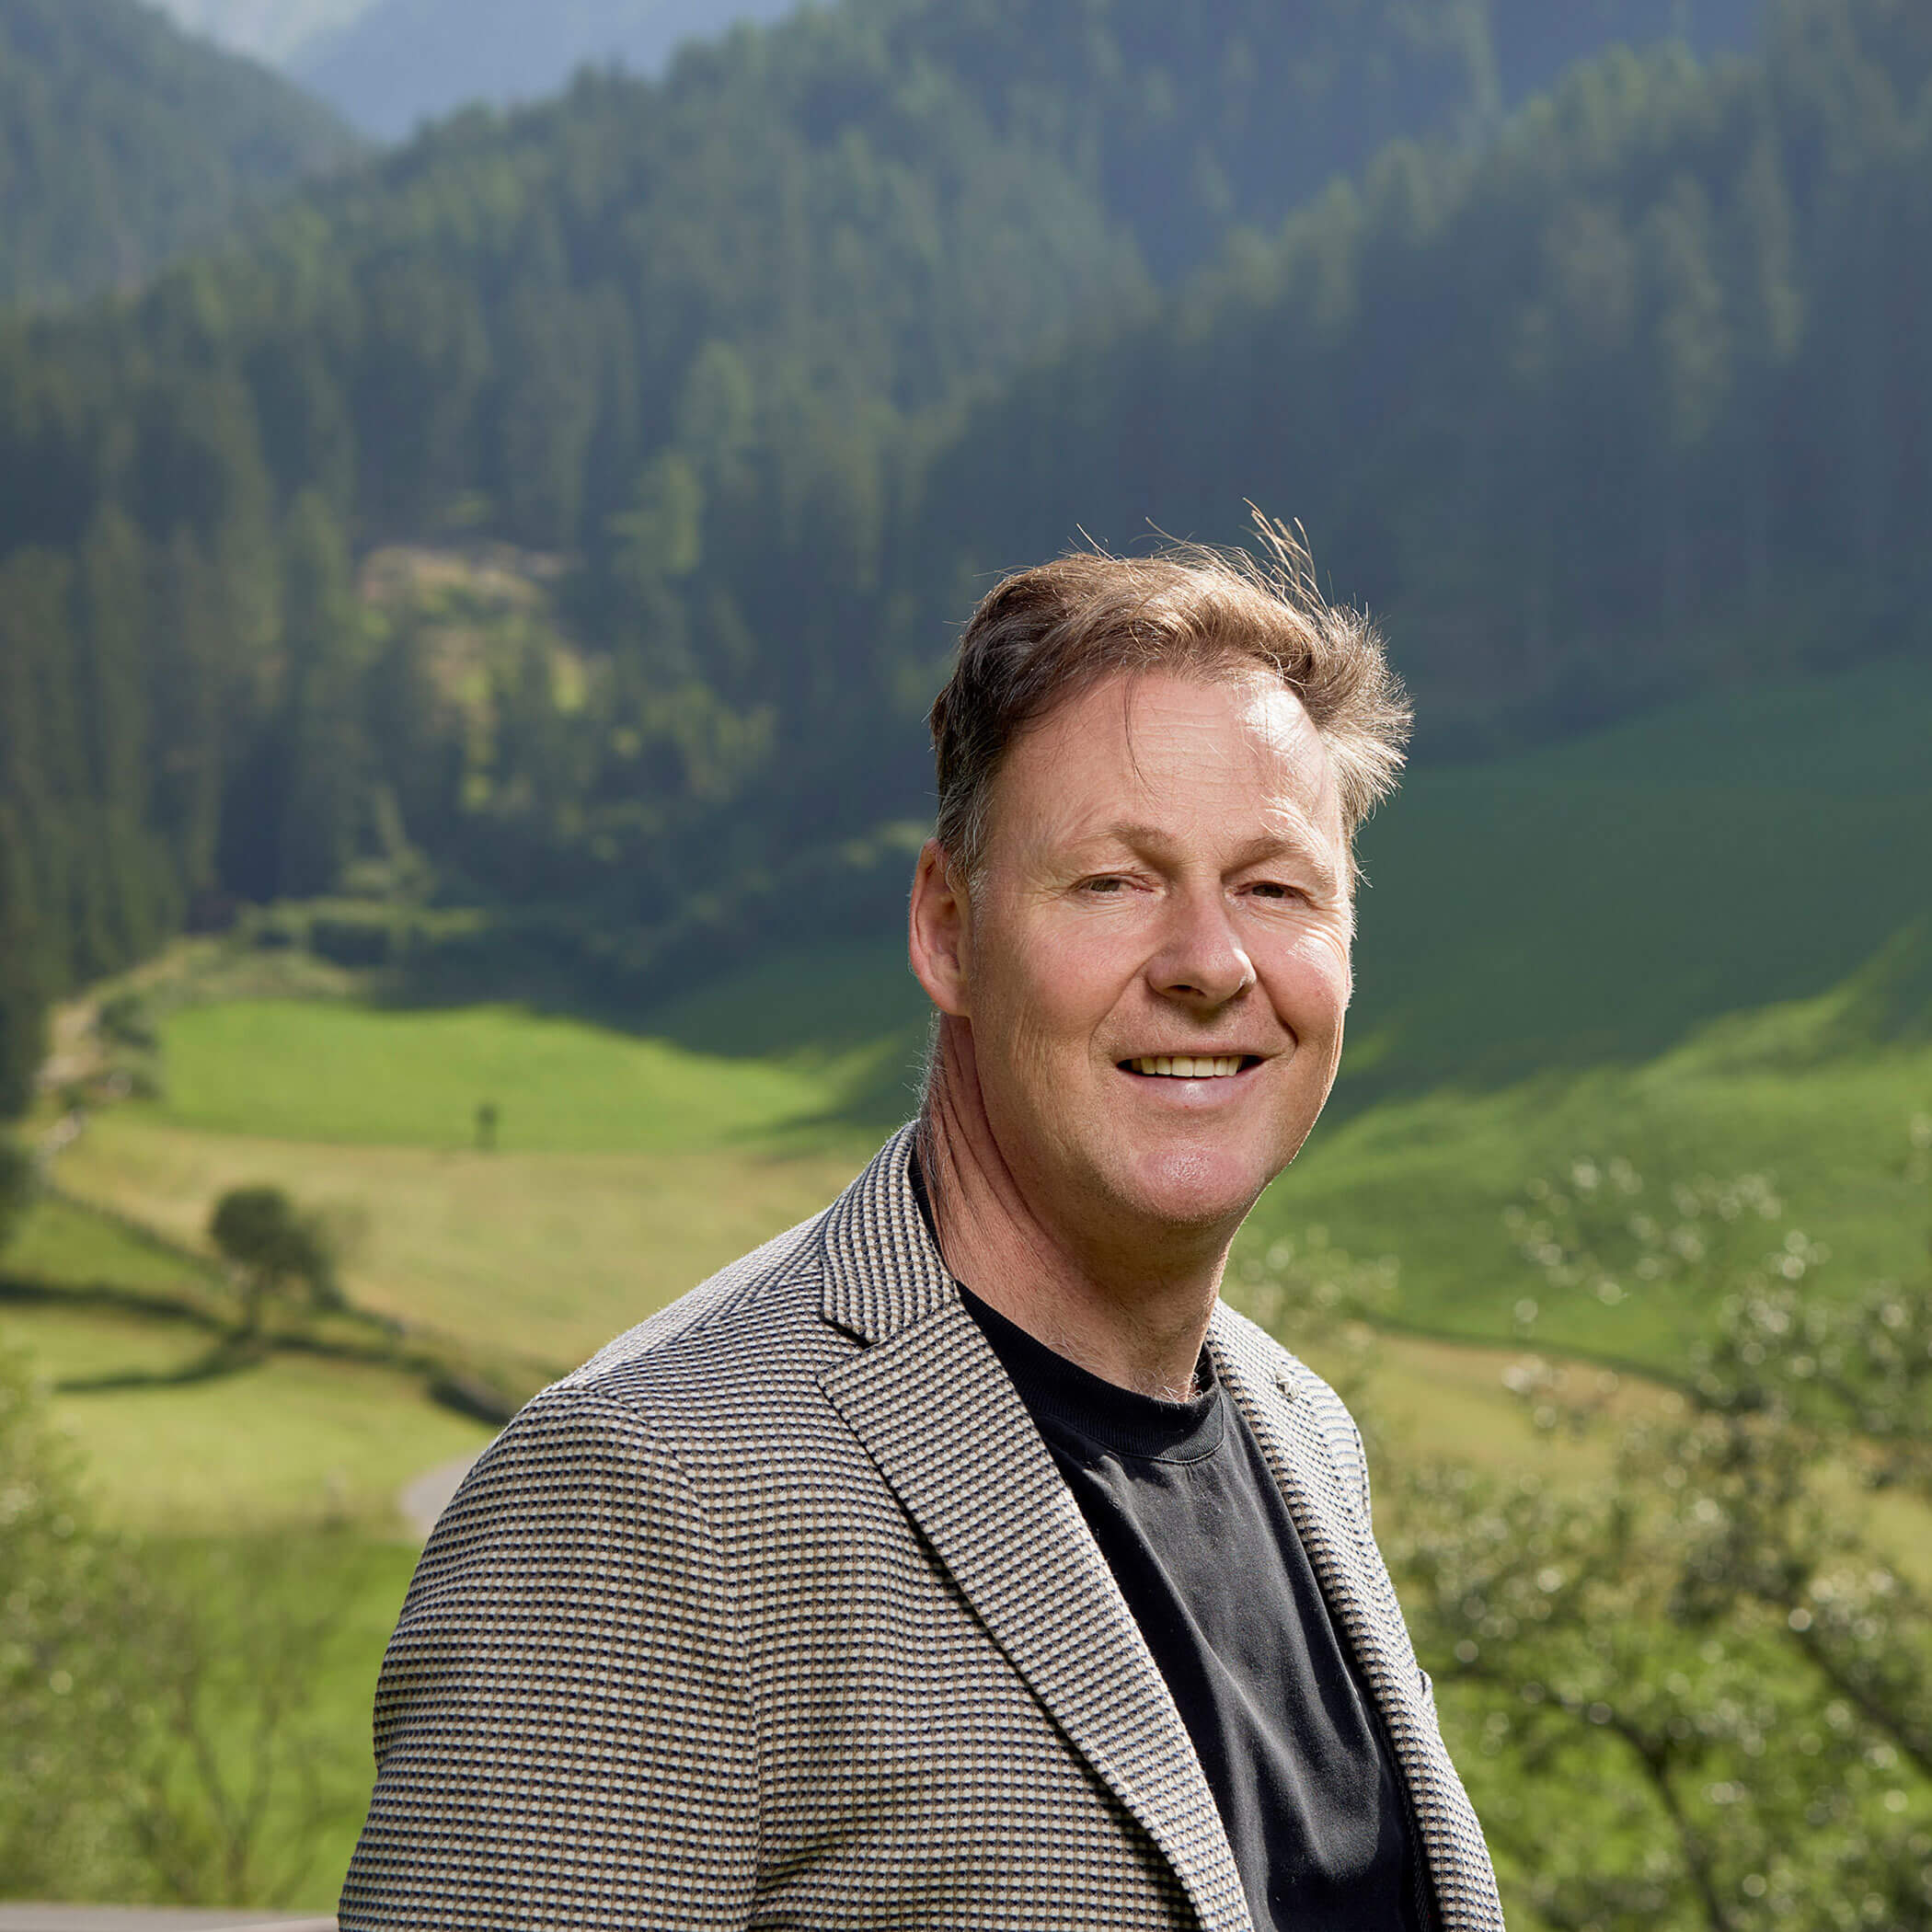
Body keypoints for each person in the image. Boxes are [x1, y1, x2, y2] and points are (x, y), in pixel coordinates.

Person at [339, 523, 1504, 1931]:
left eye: (1274, 888)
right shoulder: (650, 1498)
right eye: (1117, 881)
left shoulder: (1303, 1434)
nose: (1210, 963)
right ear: (950, 931)